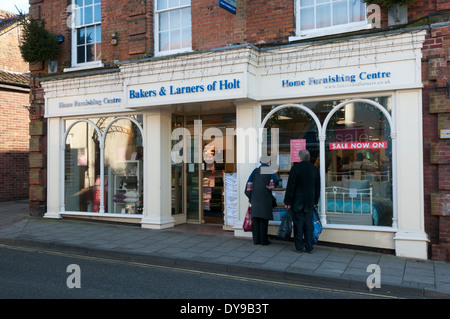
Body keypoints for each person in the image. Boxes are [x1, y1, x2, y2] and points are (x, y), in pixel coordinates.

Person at [284, 149, 320, 253]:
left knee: (298, 225)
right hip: (309, 202)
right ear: (308, 158)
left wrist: (288, 202)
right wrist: (315, 201)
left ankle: (298, 246)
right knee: (309, 225)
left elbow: (291, 187)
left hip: (297, 201)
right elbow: (317, 187)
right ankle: (309, 247)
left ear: (299, 158)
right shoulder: (314, 169)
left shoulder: (295, 169)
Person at [245, 156, 278, 245]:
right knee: (263, 220)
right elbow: (275, 183)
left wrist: (251, 197)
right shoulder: (268, 170)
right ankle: (264, 241)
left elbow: (248, 185)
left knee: (255, 220)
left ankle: (256, 240)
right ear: (269, 162)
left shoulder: (255, 171)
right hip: (265, 199)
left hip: (255, 199)